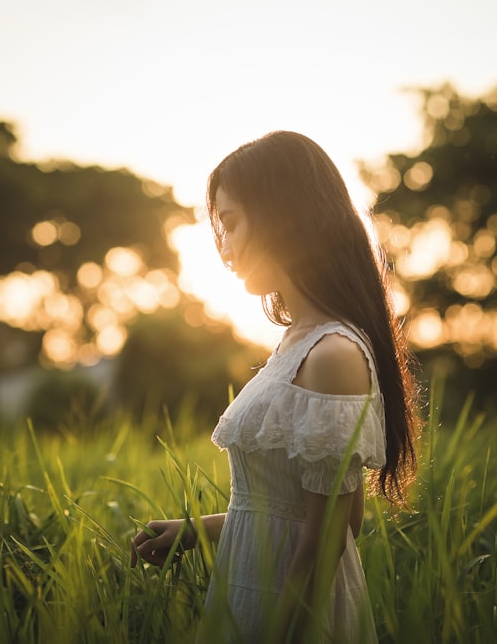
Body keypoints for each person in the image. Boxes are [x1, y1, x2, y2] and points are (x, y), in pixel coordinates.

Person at [130, 131, 422, 642]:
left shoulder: (333, 354)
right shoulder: (298, 341)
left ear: (282, 215)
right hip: (251, 585)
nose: (224, 245)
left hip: (291, 607)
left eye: (231, 222)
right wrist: (194, 530)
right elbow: (283, 507)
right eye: (219, 227)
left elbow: (330, 535)